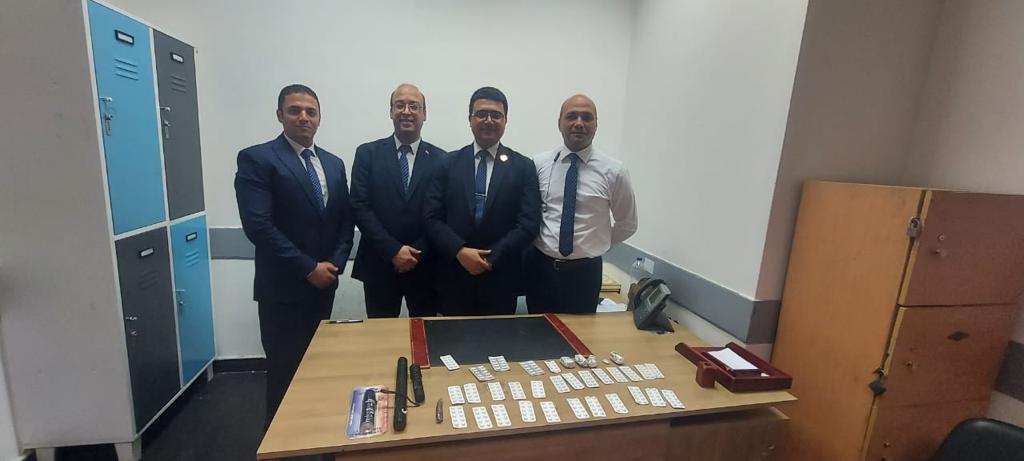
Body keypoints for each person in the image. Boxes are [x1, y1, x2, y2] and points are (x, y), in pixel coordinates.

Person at [234, 84, 354, 424]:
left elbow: (345, 220)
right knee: (284, 373)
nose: (303, 117)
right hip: (282, 290)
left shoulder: (333, 163)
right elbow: (259, 226)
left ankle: (314, 434)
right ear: (280, 115)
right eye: (295, 110)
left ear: (319, 118)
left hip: (324, 286)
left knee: (318, 367)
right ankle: (280, 442)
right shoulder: (258, 159)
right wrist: (308, 267)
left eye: (310, 112)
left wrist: (335, 264)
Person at [423, 86, 541, 316]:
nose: (488, 120)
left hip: (501, 279)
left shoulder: (524, 167)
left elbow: (528, 224)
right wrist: (460, 251)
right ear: (470, 119)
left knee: (498, 338)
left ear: (505, 121)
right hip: (453, 276)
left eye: (496, 115)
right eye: (481, 114)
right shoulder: (447, 163)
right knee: (452, 338)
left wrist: (490, 259)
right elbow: (431, 217)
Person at [526, 94, 637, 313]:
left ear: (596, 124)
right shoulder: (539, 164)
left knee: (580, 332)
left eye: (587, 117)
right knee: (537, 329)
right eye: (571, 116)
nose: (579, 123)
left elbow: (627, 224)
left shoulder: (614, 171)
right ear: (559, 123)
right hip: (540, 269)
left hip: (584, 274)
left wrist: (596, 244)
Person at [350, 84, 444, 318]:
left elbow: (443, 212)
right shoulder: (367, 154)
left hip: (425, 265)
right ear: (391, 111)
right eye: (400, 105)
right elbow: (360, 206)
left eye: (414, 106)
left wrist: (416, 253)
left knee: (425, 333)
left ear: (424, 113)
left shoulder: (442, 159)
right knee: (380, 334)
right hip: (379, 262)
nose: (406, 111)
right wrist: (393, 250)